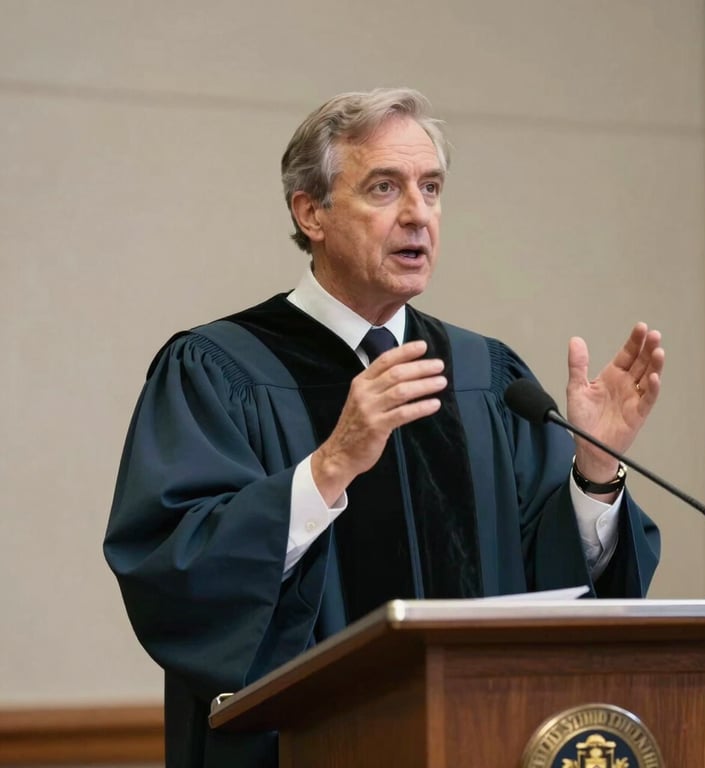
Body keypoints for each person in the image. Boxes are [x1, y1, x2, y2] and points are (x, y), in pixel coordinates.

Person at [104, 87, 664, 767]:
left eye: (431, 188)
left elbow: (552, 583)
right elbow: (173, 571)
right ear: (310, 212)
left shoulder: (485, 375)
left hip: (481, 742)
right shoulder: (219, 369)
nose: (418, 215)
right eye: (383, 188)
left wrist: (595, 471)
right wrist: (329, 467)